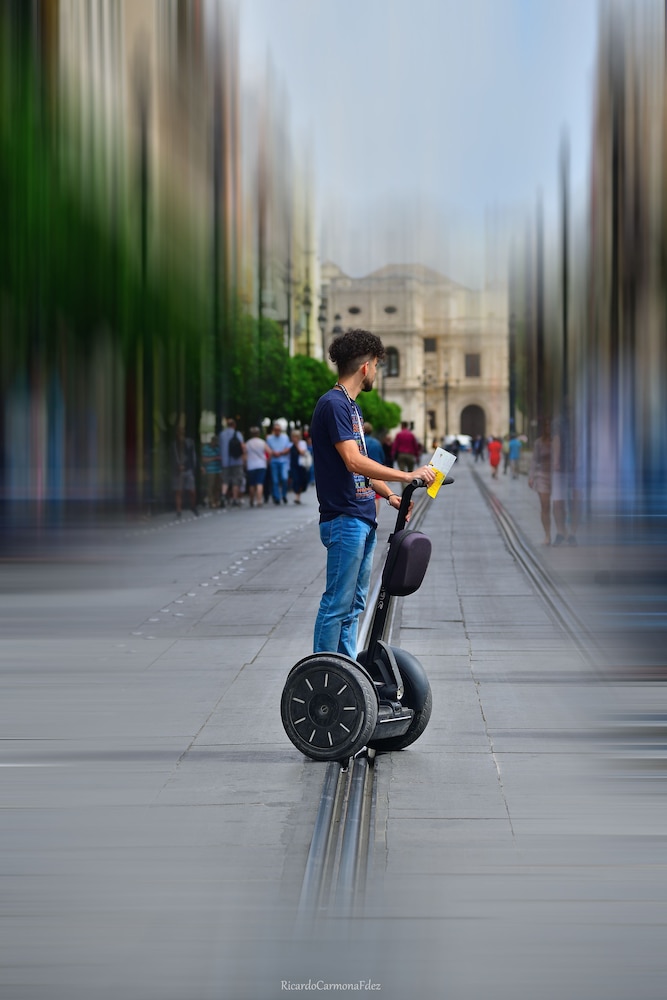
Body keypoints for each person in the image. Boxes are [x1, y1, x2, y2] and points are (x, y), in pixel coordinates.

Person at [310, 328, 436, 659]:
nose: (377, 372)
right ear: (366, 367)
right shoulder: (333, 404)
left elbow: (363, 466)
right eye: (378, 365)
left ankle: (347, 672)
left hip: (363, 517)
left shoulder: (352, 408)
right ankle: (324, 672)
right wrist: (407, 475)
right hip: (344, 518)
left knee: (354, 606)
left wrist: (393, 496)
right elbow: (353, 461)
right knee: (337, 603)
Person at [528, 419, 553, 545]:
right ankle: (547, 535)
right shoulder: (539, 442)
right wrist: (531, 476)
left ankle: (561, 531)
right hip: (542, 476)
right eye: (547, 426)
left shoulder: (559, 441)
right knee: (545, 506)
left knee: (559, 507)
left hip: (557, 476)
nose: (549, 429)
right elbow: (534, 460)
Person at [171, 426, 198, 518]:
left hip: (188, 469)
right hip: (178, 471)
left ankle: (193, 506)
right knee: (179, 491)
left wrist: (193, 467)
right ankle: (179, 510)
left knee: (192, 490)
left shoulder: (189, 443)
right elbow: (173, 457)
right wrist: (177, 466)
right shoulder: (175, 445)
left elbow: (192, 456)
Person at [219, 418, 245, 507]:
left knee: (225, 480)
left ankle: (223, 495)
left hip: (225, 461)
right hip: (236, 460)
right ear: (234, 425)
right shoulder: (237, 434)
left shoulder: (222, 434)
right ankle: (234, 499)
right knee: (236, 481)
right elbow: (242, 446)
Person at [363, 421, 386, 518]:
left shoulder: (359, 442)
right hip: (376, 471)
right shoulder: (376, 443)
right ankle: (374, 517)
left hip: (363, 471)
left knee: (364, 494)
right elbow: (382, 457)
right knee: (376, 497)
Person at [266, 421, 291, 505]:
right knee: (275, 480)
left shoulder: (285, 437)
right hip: (274, 461)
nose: (277, 431)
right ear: (273, 430)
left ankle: (284, 494)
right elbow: (267, 449)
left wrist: (282, 452)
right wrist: (273, 452)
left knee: (284, 478)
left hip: (283, 461)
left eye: (279, 430)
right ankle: (276, 497)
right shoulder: (269, 438)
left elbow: (288, 447)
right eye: (276, 430)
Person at [244, 426, 268, 507]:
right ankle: (259, 500)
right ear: (258, 433)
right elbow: (269, 452)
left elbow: (245, 455)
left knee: (252, 484)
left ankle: (251, 500)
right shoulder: (262, 442)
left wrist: (245, 463)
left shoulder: (247, 443)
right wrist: (267, 461)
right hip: (261, 464)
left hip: (251, 465)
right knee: (259, 483)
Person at [289, 428, 310, 504]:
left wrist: (297, 444)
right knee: (296, 480)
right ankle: (297, 497)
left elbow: (302, 452)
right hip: (293, 465)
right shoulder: (290, 444)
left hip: (301, 465)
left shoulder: (302, 443)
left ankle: (298, 495)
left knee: (301, 481)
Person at [200, 434, 222, 508]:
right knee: (210, 486)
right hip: (210, 470)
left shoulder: (218, 448)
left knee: (218, 486)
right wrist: (214, 458)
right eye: (214, 441)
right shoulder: (206, 448)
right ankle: (211, 501)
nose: (215, 443)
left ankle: (217, 500)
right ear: (212, 441)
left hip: (218, 469)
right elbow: (204, 460)